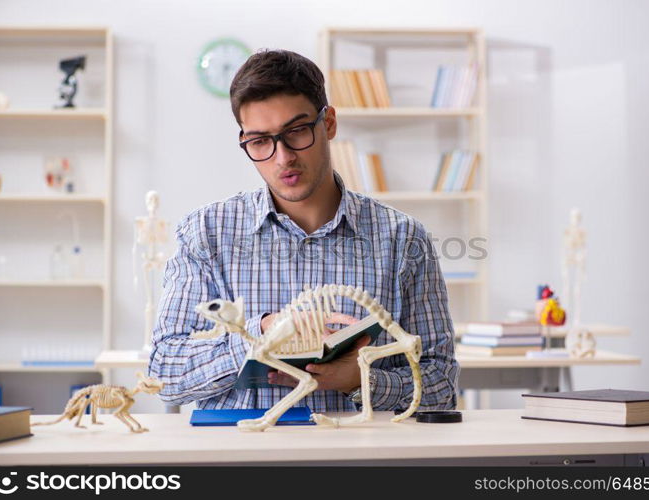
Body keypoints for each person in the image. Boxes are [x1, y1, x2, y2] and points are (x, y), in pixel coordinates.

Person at [149, 49, 459, 412]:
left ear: (328, 123)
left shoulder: (404, 239)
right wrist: (262, 333)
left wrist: (362, 381)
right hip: (241, 458)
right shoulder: (206, 233)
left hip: (358, 459)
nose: (283, 158)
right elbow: (164, 375)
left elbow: (441, 387)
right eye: (260, 141)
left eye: (296, 132)